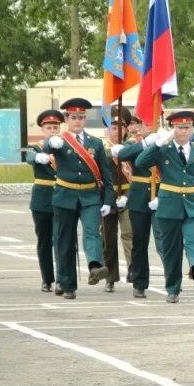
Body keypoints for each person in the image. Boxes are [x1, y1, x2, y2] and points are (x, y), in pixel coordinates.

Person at [135, 110, 194, 302]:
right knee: (171, 251)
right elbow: (140, 162)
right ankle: (173, 288)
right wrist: (158, 142)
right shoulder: (163, 150)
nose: (183, 132)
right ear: (173, 129)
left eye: (187, 127)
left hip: (193, 207)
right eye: (179, 128)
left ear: (193, 128)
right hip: (169, 207)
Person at [41, 97, 115, 299]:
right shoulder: (60, 141)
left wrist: (108, 200)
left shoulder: (95, 143)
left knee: (92, 231)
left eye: (81, 117)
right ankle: (67, 284)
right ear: (66, 118)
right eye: (74, 117)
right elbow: (46, 149)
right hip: (65, 195)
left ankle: (95, 265)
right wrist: (50, 143)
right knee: (65, 241)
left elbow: (106, 175)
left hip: (90, 196)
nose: (78, 121)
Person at [114, 119, 162, 298]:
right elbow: (123, 155)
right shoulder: (134, 143)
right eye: (147, 125)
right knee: (139, 242)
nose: (150, 127)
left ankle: (173, 280)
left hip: (162, 195)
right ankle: (140, 283)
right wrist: (146, 143)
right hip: (140, 196)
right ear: (140, 127)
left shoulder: (167, 142)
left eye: (153, 123)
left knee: (165, 241)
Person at [26, 109, 63, 293]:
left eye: (55, 127)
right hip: (42, 199)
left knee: (61, 239)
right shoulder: (37, 147)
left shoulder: (65, 146)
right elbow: (29, 157)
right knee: (44, 240)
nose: (52, 130)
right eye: (49, 127)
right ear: (43, 129)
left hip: (63, 197)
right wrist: (38, 157)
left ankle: (62, 278)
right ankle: (47, 279)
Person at [101, 107, 134, 292]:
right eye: (113, 127)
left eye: (121, 127)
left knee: (129, 234)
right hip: (107, 197)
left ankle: (133, 271)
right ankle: (110, 277)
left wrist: (128, 197)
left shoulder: (132, 147)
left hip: (128, 196)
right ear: (108, 130)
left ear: (127, 129)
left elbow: (138, 176)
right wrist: (111, 152)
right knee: (108, 238)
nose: (117, 131)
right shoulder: (100, 147)